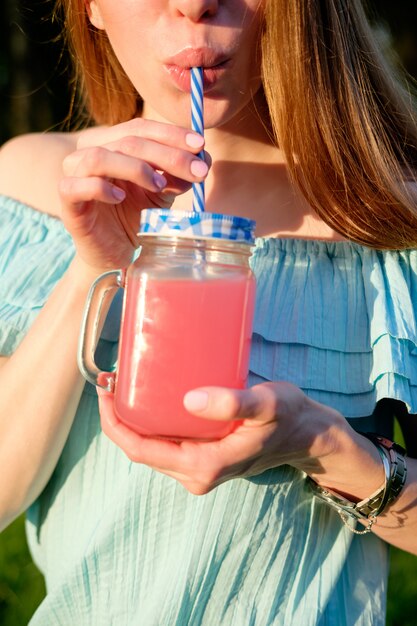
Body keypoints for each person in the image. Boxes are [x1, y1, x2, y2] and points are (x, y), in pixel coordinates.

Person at [0, 0, 417, 623]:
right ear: (90, 8)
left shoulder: (393, 218)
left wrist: (321, 444)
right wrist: (94, 267)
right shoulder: (30, 181)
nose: (194, 4)